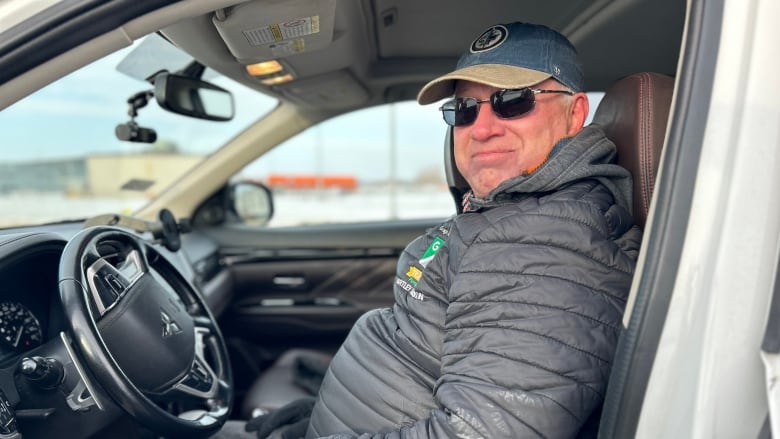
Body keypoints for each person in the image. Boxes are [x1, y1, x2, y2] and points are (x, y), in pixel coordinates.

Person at [238, 21, 641, 439]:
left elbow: (482, 434)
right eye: (464, 110)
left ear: (574, 114)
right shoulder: (512, 213)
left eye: (513, 101)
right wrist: (317, 417)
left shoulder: (549, 246)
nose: (481, 129)